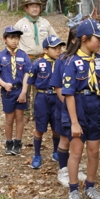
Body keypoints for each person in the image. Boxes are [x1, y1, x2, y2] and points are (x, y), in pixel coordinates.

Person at [61, 19, 100, 199]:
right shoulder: (71, 62)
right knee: (76, 151)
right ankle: (74, 189)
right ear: (84, 39)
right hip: (78, 109)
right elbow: (69, 94)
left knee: (94, 151)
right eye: (98, 39)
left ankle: (90, 185)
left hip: (95, 109)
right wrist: (74, 121)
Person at [51, 26, 87, 186]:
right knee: (65, 139)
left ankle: (75, 167)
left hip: (81, 108)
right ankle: (63, 170)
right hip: (64, 106)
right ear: (73, 40)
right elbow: (58, 86)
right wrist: (67, 103)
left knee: (77, 141)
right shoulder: (63, 60)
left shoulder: (86, 58)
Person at [15, 0, 58, 121]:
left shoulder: (45, 23)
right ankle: (26, 113)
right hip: (26, 59)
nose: (35, 9)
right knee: (25, 87)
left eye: (37, 6)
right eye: (32, 6)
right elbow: (13, 41)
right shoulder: (20, 24)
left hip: (42, 59)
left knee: (40, 87)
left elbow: (54, 40)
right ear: (26, 9)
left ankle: (37, 113)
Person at [27, 35, 66, 169]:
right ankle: (37, 155)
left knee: (57, 128)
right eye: (54, 48)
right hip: (42, 99)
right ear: (45, 49)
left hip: (57, 99)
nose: (58, 50)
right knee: (40, 128)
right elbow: (32, 83)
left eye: (60, 47)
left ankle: (56, 152)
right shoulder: (38, 63)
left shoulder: (63, 63)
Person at [0, 26, 31, 155]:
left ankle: (18, 142)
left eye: (17, 38)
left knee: (20, 118)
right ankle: (9, 142)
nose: (14, 40)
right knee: (9, 119)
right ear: (4, 39)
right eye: (11, 37)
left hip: (20, 90)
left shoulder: (23, 56)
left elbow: (27, 75)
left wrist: (24, 91)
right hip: (8, 92)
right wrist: (3, 84)